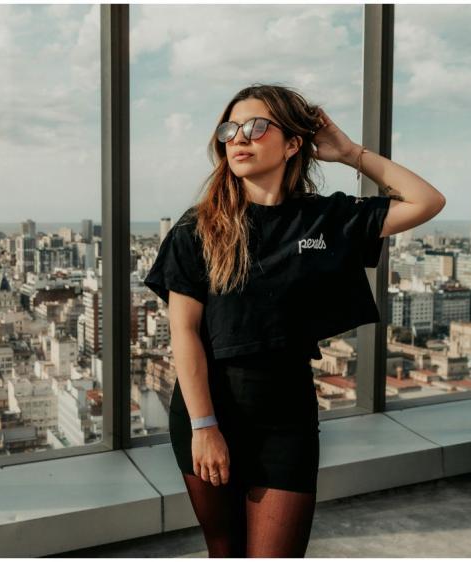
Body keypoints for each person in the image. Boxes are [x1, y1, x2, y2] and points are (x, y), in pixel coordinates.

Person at [144, 83, 445, 557]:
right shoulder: (198, 227)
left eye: (257, 126)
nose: (239, 137)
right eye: (230, 129)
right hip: (210, 409)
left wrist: (348, 152)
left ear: (292, 144)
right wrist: (204, 427)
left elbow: (426, 201)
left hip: (287, 414)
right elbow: (184, 333)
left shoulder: (325, 219)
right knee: (225, 550)